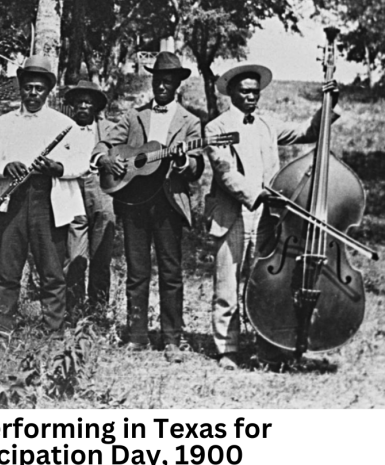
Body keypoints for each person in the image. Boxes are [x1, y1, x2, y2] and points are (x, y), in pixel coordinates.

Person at [204, 64, 339, 370]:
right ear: (232, 93)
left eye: (255, 92)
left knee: (264, 284)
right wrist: (258, 193)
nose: (251, 97)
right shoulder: (215, 127)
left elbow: (309, 131)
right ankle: (227, 349)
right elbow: (225, 173)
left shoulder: (267, 125)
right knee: (227, 286)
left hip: (266, 219)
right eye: (245, 91)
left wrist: (329, 104)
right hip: (232, 216)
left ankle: (266, 346)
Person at [94, 51, 204, 363]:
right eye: (158, 79)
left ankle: (171, 339)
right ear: (152, 81)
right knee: (136, 270)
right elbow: (104, 144)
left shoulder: (190, 121)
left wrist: (183, 159)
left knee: (170, 272)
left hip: (168, 202)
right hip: (133, 202)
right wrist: (106, 160)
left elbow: (197, 166)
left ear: (177, 85)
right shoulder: (134, 116)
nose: (162, 86)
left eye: (168, 81)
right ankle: (137, 336)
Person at [0, 55, 88, 337]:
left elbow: (82, 161)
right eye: (28, 87)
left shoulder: (65, 124)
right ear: (21, 87)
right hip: (12, 199)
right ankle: (4, 328)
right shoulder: (4, 122)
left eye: (39, 88)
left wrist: (58, 167)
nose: (33, 93)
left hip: (48, 199)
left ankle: (53, 329)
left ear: (48, 90)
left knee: (52, 269)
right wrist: (4, 167)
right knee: (8, 267)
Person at [63, 80, 116, 315]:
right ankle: (73, 311)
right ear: (72, 105)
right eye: (79, 102)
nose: (83, 106)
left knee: (101, 256)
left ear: (96, 106)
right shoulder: (64, 129)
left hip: (102, 191)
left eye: (88, 102)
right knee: (74, 256)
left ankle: (98, 312)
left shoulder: (111, 130)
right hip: (72, 190)